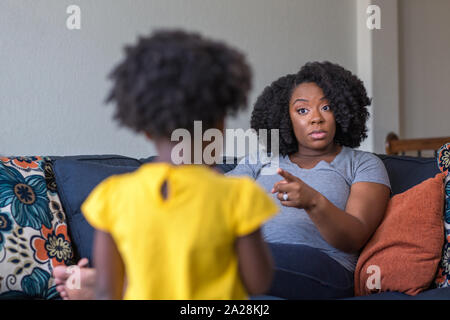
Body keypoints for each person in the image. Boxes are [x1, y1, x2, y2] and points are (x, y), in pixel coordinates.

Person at [53, 29, 279, 300]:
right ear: (220, 124)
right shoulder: (240, 195)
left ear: (145, 129)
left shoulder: (111, 196)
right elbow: (258, 282)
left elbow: (106, 292)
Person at [226, 61, 391, 299]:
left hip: (327, 267)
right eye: (302, 110)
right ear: (285, 117)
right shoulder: (260, 159)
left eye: (327, 107)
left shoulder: (362, 164)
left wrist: (313, 202)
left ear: (343, 111)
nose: (316, 118)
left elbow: (356, 236)